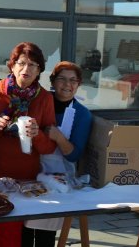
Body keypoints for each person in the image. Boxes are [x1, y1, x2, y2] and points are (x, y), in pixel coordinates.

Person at [0, 42, 57, 247]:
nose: (26, 69)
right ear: (12, 65)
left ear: (39, 70)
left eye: (33, 65)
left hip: (20, 182)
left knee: (11, 239)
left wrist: (38, 136)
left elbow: (50, 147)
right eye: (22, 63)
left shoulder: (44, 98)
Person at [22, 61, 93, 247]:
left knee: (45, 234)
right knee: (24, 232)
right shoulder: (39, 101)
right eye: (61, 79)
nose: (67, 85)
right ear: (52, 81)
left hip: (57, 181)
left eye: (73, 80)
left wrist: (59, 138)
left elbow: (74, 155)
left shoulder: (82, 114)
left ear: (78, 84)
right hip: (28, 174)